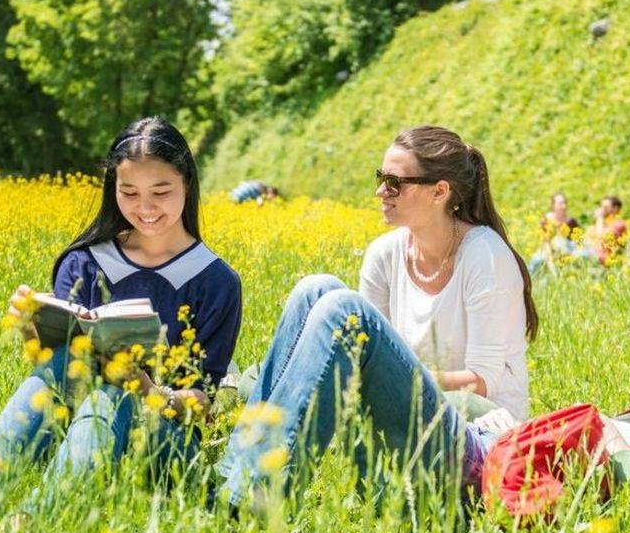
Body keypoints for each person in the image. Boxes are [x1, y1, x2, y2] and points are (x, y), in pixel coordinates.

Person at [217, 125, 536, 506]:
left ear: (440, 192)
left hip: (475, 436)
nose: (380, 192)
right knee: (315, 290)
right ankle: (232, 477)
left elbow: (484, 380)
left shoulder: (485, 255)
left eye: (394, 183)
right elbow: (367, 353)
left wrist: (402, 376)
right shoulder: (385, 253)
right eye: (380, 178)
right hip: (404, 420)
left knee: (343, 309)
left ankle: (256, 497)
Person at [0, 117, 242, 496]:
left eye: (160, 191)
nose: (145, 207)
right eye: (129, 192)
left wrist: (149, 391)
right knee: (76, 366)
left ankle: (35, 519)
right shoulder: (83, 262)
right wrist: (28, 329)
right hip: (76, 424)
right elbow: (53, 374)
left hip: (163, 442)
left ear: (187, 184)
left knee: (115, 395)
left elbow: (204, 402)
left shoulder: (216, 281)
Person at [528, 192, 582, 275]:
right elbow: (544, 240)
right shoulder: (546, 219)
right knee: (537, 260)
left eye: (565, 203)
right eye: (560, 203)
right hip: (548, 248)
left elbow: (577, 241)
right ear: (553, 206)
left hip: (568, 250)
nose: (563, 206)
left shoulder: (571, 221)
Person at [586, 195, 627, 265]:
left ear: (615, 209)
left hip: (607, 258)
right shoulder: (604, 224)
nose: (601, 210)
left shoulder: (619, 224)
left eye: (605, 207)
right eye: (601, 206)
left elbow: (601, 237)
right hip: (594, 255)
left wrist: (599, 218)